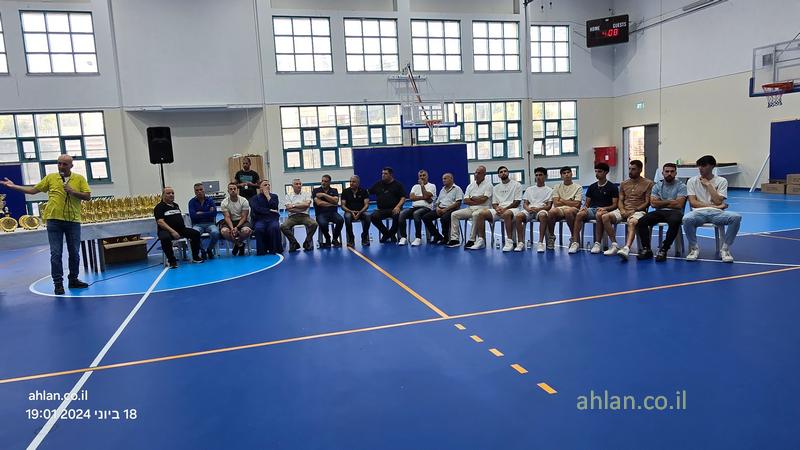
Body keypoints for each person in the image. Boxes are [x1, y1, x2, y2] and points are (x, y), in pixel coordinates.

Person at [1, 154, 91, 294]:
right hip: (54, 221)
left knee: (74, 253)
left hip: (73, 221)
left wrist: (73, 192)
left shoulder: (79, 179)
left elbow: (87, 196)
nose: (61, 166)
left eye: (64, 164)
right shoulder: (51, 178)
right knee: (56, 253)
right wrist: (13, 186)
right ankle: (58, 284)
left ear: (71, 166)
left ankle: (73, 279)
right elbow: (32, 191)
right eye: (59, 163)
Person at [683, 155, 742, 262]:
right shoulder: (692, 181)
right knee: (686, 219)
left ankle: (725, 249)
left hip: (717, 214)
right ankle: (694, 248)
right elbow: (693, 203)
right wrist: (715, 206)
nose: (700, 168)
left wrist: (708, 185)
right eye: (699, 166)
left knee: (736, 217)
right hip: (698, 213)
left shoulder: (722, 181)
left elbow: (718, 201)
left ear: (712, 166)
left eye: (703, 165)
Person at [602, 160, 653, 259]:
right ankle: (614, 245)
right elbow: (620, 200)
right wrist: (622, 210)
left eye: (633, 169)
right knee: (605, 217)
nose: (630, 171)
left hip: (638, 211)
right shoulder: (623, 184)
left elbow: (647, 202)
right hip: (624, 210)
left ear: (640, 170)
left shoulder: (648, 183)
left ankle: (626, 248)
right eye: (629, 169)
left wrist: (633, 211)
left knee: (632, 222)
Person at [636, 163, 687, 262]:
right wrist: (670, 201)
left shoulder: (682, 186)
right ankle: (646, 249)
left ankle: (664, 249)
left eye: (672, 171)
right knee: (642, 221)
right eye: (667, 171)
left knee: (675, 221)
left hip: (675, 212)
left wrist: (660, 202)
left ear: (675, 173)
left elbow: (679, 205)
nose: (669, 173)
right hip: (659, 212)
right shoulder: (657, 186)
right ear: (663, 173)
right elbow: (653, 204)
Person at [572, 163, 619, 254]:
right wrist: (584, 208)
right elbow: (587, 204)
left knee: (599, 214)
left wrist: (604, 208)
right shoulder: (592, 187)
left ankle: (597, 243)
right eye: (596, 171)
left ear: (606, 172)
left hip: (605, 210)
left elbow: (615, 205)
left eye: (599, 171)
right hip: (592, 209)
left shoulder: (612, 187)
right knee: (579, 214)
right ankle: (575, 242)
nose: (597, 174)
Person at [472, 166, 522, 251]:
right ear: (498, 175)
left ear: (508, 173)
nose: (503, 173)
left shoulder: (517, 185)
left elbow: (517, 202)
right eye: (501, 172)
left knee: (507, 214)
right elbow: (494, 203)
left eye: (505, 171)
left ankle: (509, 241)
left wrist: (505, 209)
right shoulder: (496, 187)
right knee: (481, 213)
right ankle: (481, 240)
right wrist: (497, 209)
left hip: (513, 209)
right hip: (499, 210)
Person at [154, 186, 203, 268]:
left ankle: (195, 256)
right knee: (165, 238)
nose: (171, 195)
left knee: (196, 234)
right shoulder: (159, 207)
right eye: (168, 193)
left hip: (180, 229)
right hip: (166, 230)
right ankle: (172, 261)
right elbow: (160, 222)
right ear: (163, 195)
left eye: (172, 193)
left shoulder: (176, 205)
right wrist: (172, 231)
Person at [447, 165, 493, 249]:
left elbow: (484, 200)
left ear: (484, 174)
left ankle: (472, 240)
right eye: (475, 172)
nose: (476, 175)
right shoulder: (470, 185)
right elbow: (465, 200)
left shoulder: (488, 185)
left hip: (484, 208)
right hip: (470, 208)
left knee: (476, 214)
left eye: (479, 173)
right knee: (454, 214)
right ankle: (455, 239)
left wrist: (472, 198)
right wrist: (477, 199)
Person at [514, 167, 553, 253]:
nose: (538, 177)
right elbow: (525, 203)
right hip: (530, 210)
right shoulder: (529, 189)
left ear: (545, 176)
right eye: (536, 175)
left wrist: (538, 209)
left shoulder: (550, 190)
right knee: (518, 216)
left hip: (541, 209)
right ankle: (520, 242)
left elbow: (549, 206)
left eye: (540, 175)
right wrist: (528, 209)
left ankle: (540, 242)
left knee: (543, 215)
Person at [547, 167, 582, 251]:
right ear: (561, 176)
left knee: (568, 211)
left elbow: (577, 204)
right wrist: (570, 201)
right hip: (560, 209)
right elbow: (556, 203)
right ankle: (551, 236)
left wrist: (562, 200)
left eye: (568, 172)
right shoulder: (557, 187)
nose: (566, 175)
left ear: (571, 174)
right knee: (551, 211)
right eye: (564, 173)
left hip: (573, 209)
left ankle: (574, 238)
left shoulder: (578, 187)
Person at [423, 173, 463, 245]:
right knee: (426, 217)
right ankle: (437, 236)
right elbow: (437, 202)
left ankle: (446, 238)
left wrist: (445, 209)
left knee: (444, 218)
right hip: (440, 209)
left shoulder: (457, 189)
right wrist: (437, 208)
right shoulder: (442, 190)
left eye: (445, 178)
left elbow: (458, 203)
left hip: (451, 209)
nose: (443, 180)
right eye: (442, 179)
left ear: (451, 179)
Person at [398, 170, 436, 246]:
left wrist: (422, 186)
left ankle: (418, 238)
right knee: (402, 213)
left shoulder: (432, 186)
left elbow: (427, 198)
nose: (422, 177)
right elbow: (412, 197)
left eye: (424, 175)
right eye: (420, 176)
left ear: (427, 176)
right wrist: (424, 197)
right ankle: (403, 237)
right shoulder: (415, 186)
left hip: (426, 208)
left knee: (416, 213)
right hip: (414, 207)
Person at [369, 167, 406, 243]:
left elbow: (403, 198)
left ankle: (388, 235)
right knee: (373, 216)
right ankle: (388, 234)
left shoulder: (398, 185)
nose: (383, 175)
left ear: (391, 175)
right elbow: (368, 192)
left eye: (385, 174)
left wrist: (398, 207)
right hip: (381, 210)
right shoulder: (378, 184)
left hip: (394, 209)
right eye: (382, 173)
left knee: (397, 216)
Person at [281, 178, 318, 252]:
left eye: (300, 184)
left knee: (314, 224)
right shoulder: (288, 196)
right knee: (283, 226)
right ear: (292, 186)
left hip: (305, 216)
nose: (298, 185)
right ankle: (294, 242)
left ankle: (307, 241)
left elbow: (307, 205)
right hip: (292, 217)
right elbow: (289, 208)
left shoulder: (306, 194)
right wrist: (302, 207)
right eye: (296, 184)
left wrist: (293, 205)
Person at [249, 180, 283, 255]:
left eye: (268, 185)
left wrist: (268, 196)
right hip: (260, 219)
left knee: (274, 227)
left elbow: (275, 206)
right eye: (265, 185)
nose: (267, 186)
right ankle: (262, 250)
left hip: (272, 219)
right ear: (260, 187)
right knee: (259, 228)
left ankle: (274, 249)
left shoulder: (274, 196)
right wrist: (270, 210)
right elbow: (257, 209)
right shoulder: (254, 198)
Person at [188, 183, 220, 260]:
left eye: (201, 189)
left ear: (204, 190)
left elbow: (214, 214)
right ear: (194, 191)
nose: (199, 191)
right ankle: (202, 251)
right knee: (194, 234)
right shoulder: (191, 202)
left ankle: (209, 249)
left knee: (216, 233)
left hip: (210, 224)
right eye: (197, 190)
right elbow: (193, 216)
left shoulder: (210, 200)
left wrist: (200, 213)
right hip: (197, 224)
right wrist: (208, 213)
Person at [219, 182, 252, 256]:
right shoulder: (224, 202)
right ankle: (239, 244)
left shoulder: (244, 201)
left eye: (234, 189)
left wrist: (237, 227)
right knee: (224, 231)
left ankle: (237, 245)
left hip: (242, 221)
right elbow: (227, 217)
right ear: (228, 191)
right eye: (231, 189)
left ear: (237, 190)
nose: (233, 190)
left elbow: (244, 217)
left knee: (246, 231)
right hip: (230, 221)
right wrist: (232, 228)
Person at [312, 175, 344, 248]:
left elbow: (336, 201)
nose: (323, 183)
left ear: (329, 182)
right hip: (321, 214)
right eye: (322, 181)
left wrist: (324, 195)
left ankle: (335, 239)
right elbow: (319, 203)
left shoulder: (334, 190)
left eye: (325, 181)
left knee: (341, 220)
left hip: (333, 213)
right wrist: (332, 203)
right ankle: (327, 238)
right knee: (323, 223)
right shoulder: (316, 190)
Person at [340, 175, 371, 247]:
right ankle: (351, 238)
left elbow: (366, 205)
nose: (351, 183)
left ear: (358, 183)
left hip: (361, 212)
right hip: (349, 212)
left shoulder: (364, 191)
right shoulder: (345, 191)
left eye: (353, 182)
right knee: (347, 217)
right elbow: (343, 205)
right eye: (350, 181)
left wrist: (360, 212)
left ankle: (364, 236)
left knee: (368, 216)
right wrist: (351, 212)